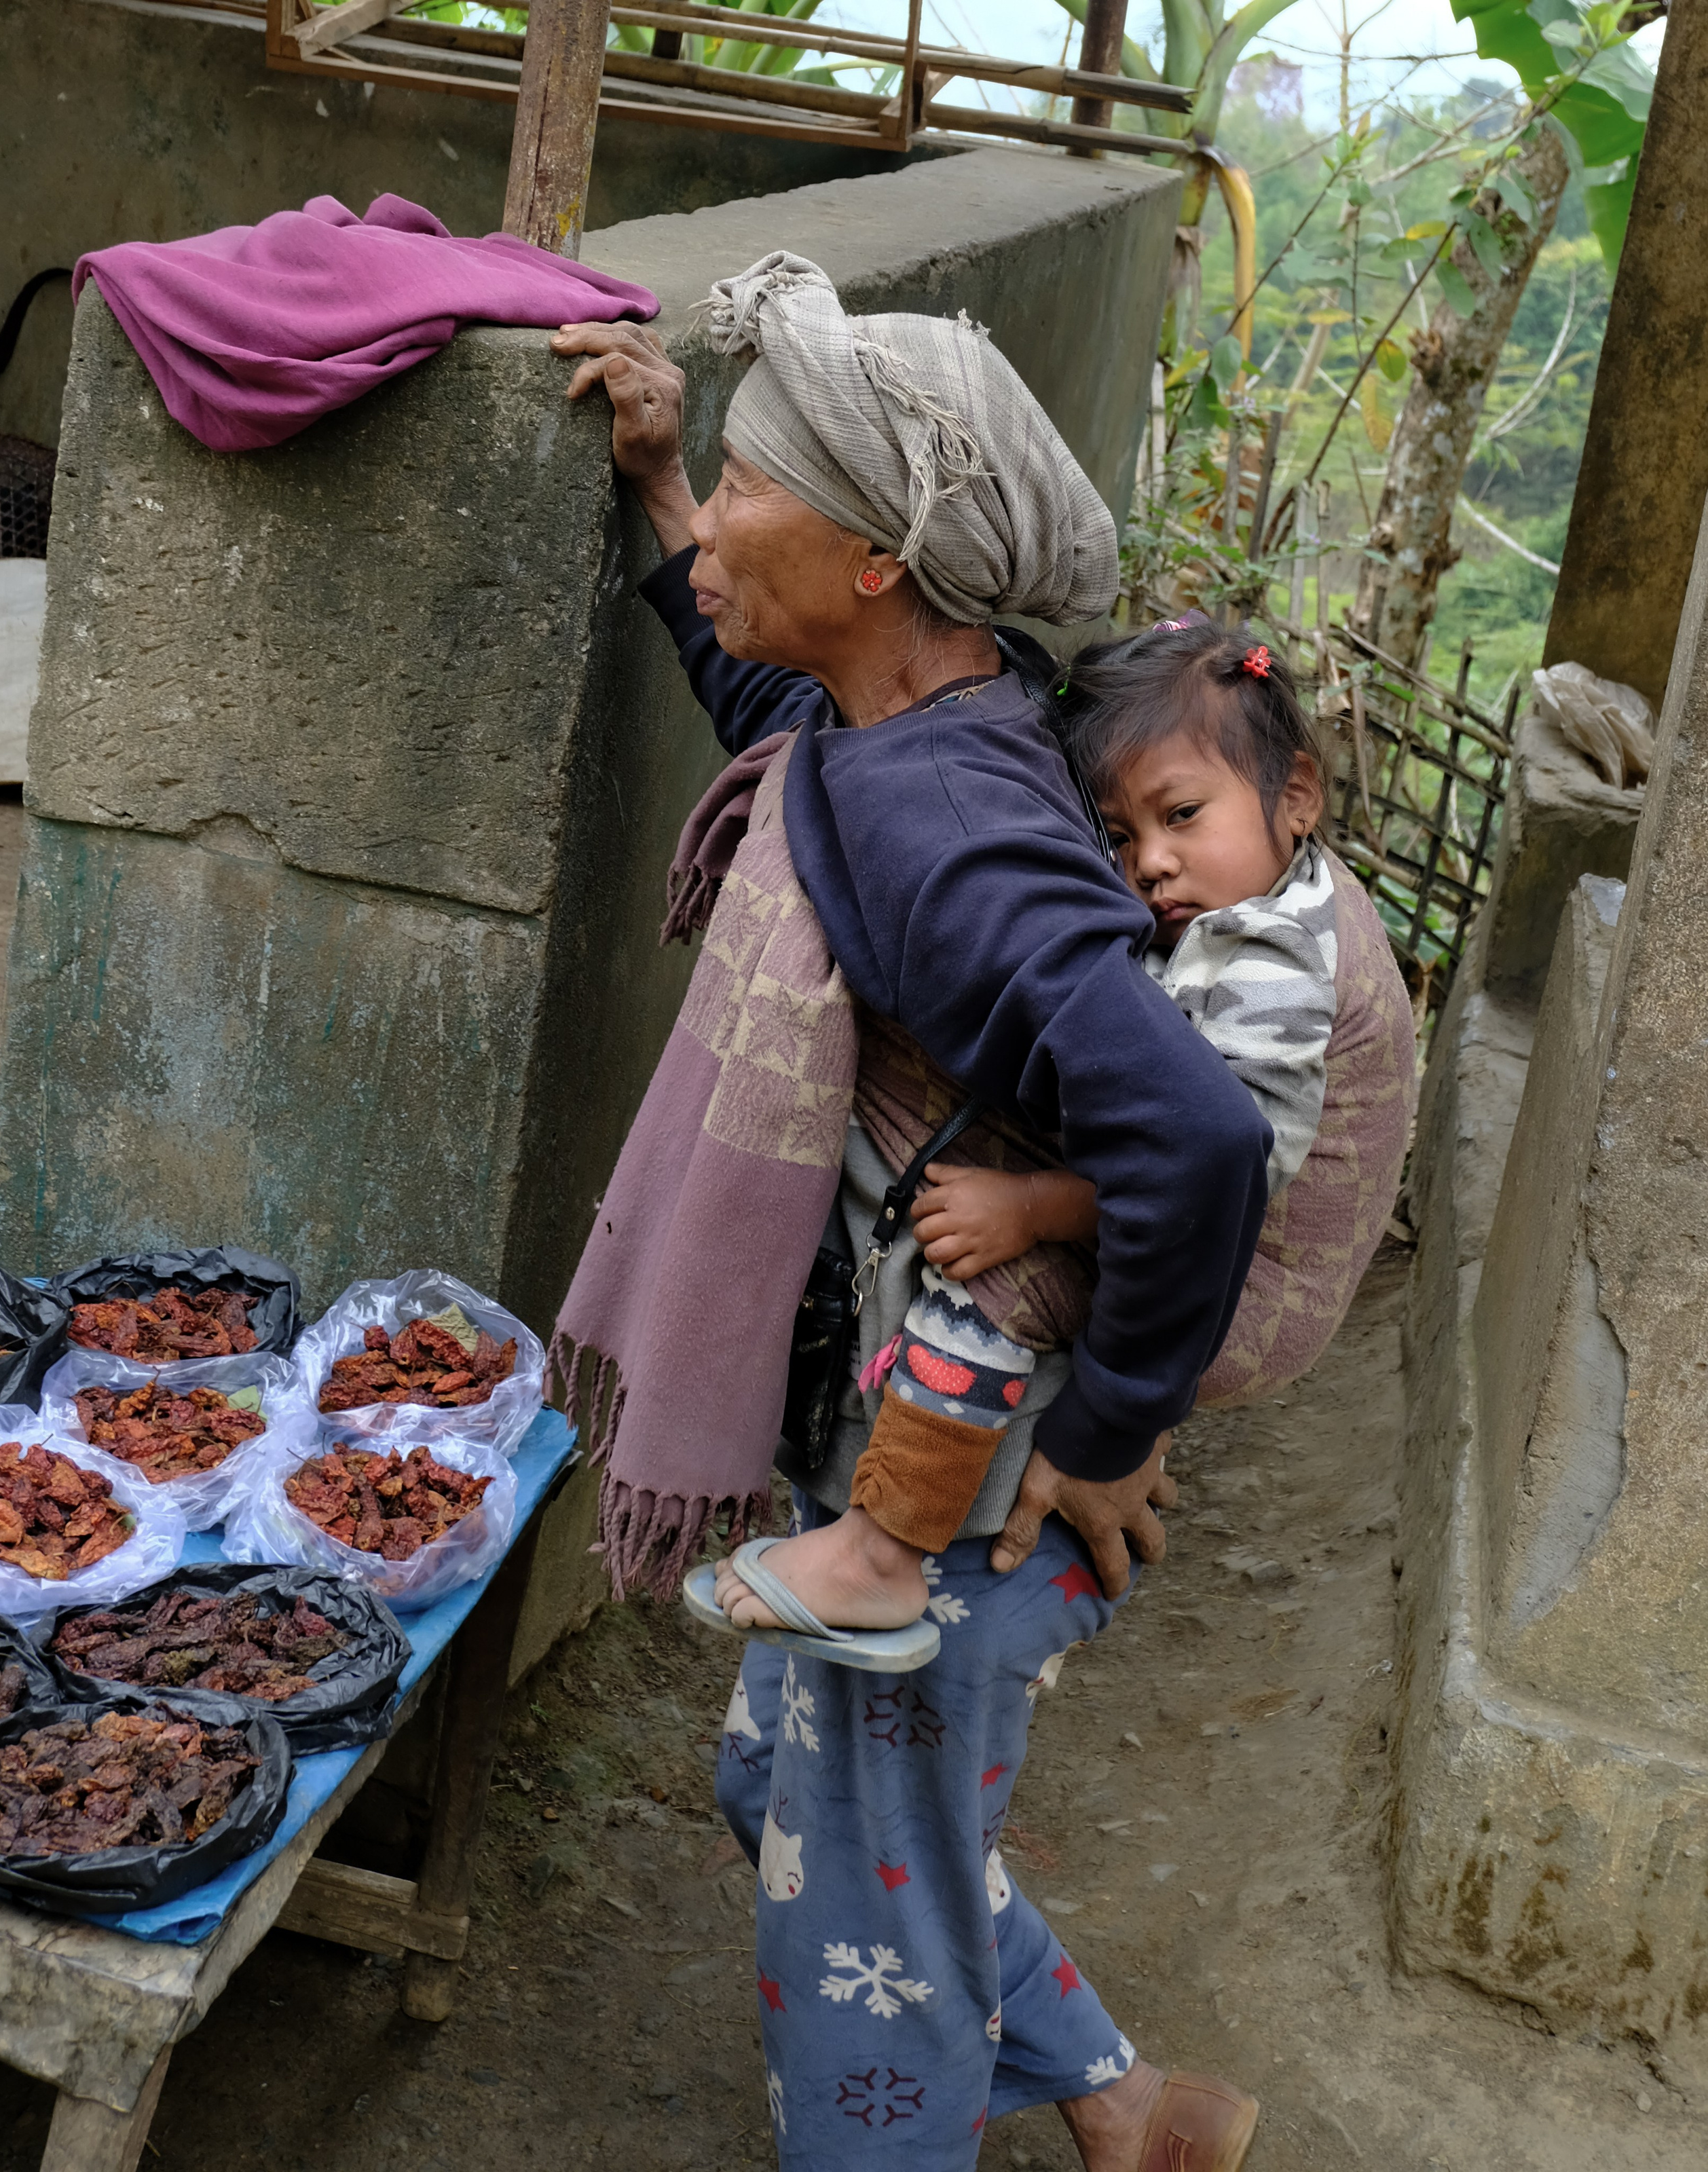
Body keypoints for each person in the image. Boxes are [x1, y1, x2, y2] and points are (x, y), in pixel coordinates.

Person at [550, 253, 1267, 2172]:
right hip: (902, 1438)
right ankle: (1130, 2108)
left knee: (851, 1911)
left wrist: (1109, 1434)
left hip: (963, 1474)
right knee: (786, 1771)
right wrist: (666, 483)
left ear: (874, 559)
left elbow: (1198, 1142)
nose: (727, 530)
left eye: (760, 491)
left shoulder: (955, 830)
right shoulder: (913, 725)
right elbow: (789, 744)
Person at [713, 614, 1415, 1636]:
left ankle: (884, 1552)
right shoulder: (1249, 894)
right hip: (1196, 1223)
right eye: (1122, 837)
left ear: (1297, 793)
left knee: (982, 1297)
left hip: (1236, 1264)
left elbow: (1218, 1165)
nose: (1152, 865)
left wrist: (1035, 1209)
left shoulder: (1270, 962)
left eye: (1182, 816)